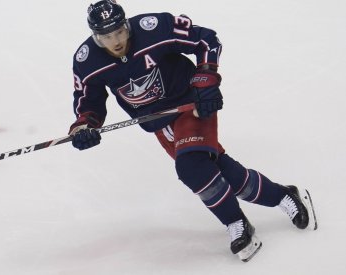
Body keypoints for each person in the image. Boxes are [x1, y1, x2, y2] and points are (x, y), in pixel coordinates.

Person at [67, 0, 317, 262]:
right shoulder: (86, 61)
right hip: (157, 120)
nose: (115, 41)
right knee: (215, 171)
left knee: (191, 168)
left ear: (127, 25)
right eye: (106, 36)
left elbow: (206, 40)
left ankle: (236, 222)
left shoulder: (154, 28)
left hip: (190, 104)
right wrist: (85, 126)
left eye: (119, 31)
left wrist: (206, 81)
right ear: (96, 36)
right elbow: (88, 101)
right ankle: (282, 195)